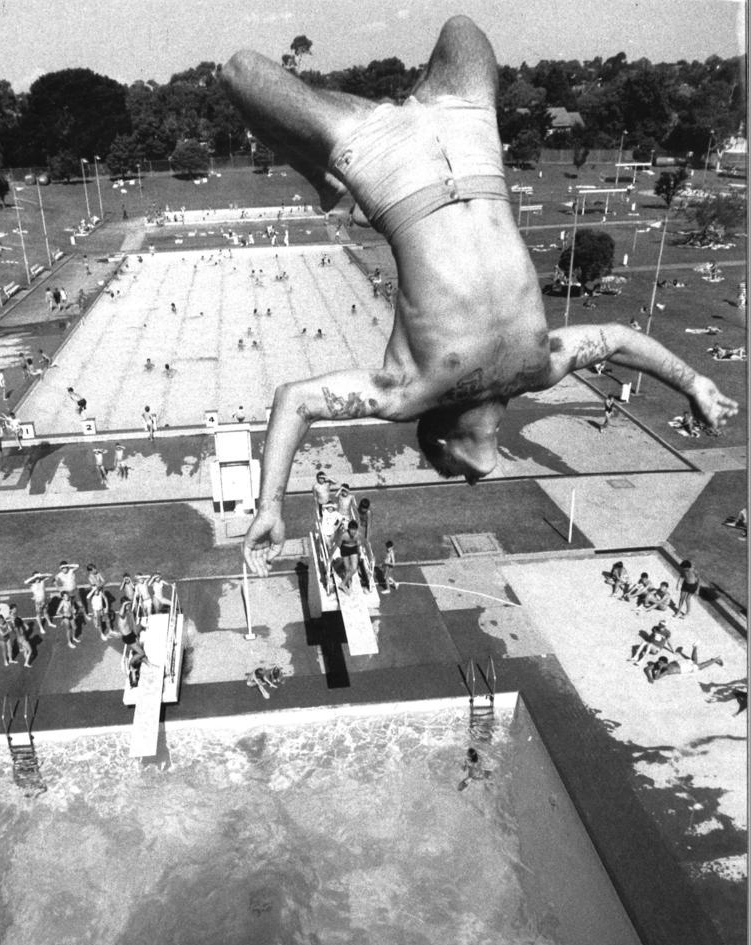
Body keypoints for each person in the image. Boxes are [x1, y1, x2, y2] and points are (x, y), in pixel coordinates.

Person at [224, 17, 737, 575]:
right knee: (463, 30)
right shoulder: (538, 368)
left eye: (457, 473)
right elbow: (616, 339)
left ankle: (326, 176)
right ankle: (345, 166)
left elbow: (294, 400)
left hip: (382, 162)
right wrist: (693, 383)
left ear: (442, 444)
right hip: (468, 137)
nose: (472, 478)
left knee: (240, 73)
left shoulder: (409, 393)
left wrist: (270, 505)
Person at [645, 644, 723, 683]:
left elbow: (656, 678)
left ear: (665, 662)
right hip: (679, 663)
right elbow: (647, 669)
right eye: (659, 662)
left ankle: (716, 659)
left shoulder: (666, 670)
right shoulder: (660, 666)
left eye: (660, 663)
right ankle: (695, 647)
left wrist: (657, 670)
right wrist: (649, 676)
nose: (659, 664)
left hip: (683, 668)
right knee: (694, 662)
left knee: (700, 667)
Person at [335, 520, 361, 592]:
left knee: (354, 568)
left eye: (355, 530)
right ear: (349, 529)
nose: (353, 532)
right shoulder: (344, 535)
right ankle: (348, 581)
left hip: (353, 549)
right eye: (352, 530)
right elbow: (338, 543)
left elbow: (358, 544)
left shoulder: (358, 535)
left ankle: (342, 584)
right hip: (345, 549)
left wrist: (359, 553)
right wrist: (341, 549)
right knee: (347, 568)